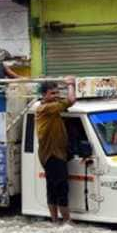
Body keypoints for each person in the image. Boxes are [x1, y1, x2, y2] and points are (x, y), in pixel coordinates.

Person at [36, 77, 76, 223]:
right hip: (52, 155)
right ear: (44, 95)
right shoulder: (46, 108)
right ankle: (67, 221)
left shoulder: (52, 108)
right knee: (60, 189)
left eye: (57, 93)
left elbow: (67, 103)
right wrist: (71, 84)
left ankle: (55, 221)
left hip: (55, 153)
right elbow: (71, 100)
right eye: (52, 93)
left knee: (53, 188)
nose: (56, 96)